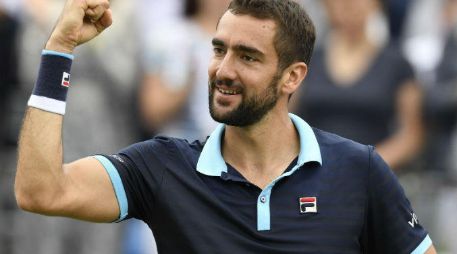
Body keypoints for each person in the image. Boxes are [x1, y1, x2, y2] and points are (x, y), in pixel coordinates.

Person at [15, 0, 436, 253]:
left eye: (248, 56)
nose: (223, 70)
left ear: (293, 77)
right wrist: (59, 50)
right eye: (219, 50)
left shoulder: (359, 169)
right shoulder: (163, 166)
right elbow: (40, 190)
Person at [292, 0, 424, 171]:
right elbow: (286, 117)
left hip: (372, 174)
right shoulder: (307, 60)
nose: (350, 6)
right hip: (311, 170)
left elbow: (411, 134)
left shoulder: (397, 62)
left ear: (375, 5)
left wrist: (368, 164)